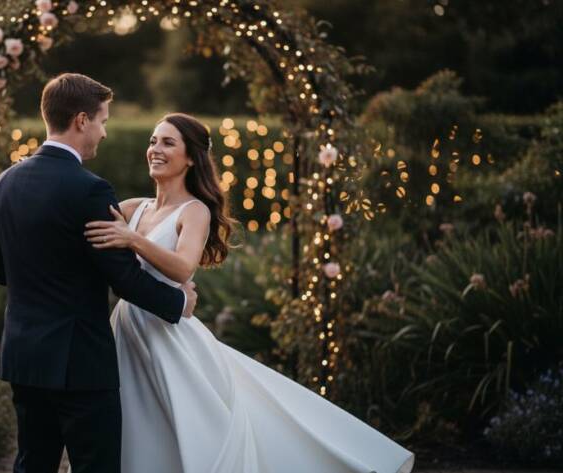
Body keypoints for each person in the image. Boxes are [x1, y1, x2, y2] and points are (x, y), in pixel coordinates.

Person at [82, 112, 416, 473]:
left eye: (168, 142)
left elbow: (182, 268)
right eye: (153, 141)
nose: (155, 149)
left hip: (167, 335)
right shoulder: (133, 208)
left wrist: (132, 239)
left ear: (191, 157)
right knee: (135, 425)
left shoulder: (194, 211)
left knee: (189, 426)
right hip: (127, 328)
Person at [0, 73, 198, 473]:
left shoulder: (4, 182)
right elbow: (125, 279)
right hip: (79, 361)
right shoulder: (89, 189)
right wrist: (179, 300)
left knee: (32, 464)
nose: (103, 132)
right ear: (82, 120)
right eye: (102, 121)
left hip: (24, 355)